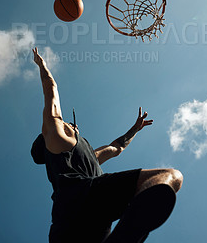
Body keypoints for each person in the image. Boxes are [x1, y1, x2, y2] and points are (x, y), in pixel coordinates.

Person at [31, 47, 183, 243]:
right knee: (171, 176)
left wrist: (135, 129)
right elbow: (50, 88)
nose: (72, 124)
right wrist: (42, 65)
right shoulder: (57, 138)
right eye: (68, 124)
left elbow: (117, 148)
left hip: (74, 223)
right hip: (84, 197)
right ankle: (130, 233)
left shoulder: (89, 156)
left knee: (170, 178)